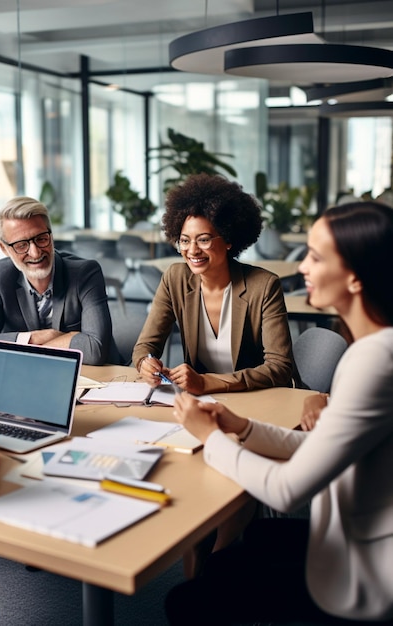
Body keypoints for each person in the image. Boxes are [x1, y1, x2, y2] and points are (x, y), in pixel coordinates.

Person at [166, 201, 393, 625]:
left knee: (187, 602)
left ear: (357, 276)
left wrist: (210, 438)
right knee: (247, 544)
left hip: (360, 579)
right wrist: (243, 427)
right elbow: (319, 446)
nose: (303, 267)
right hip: (348, 541)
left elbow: (287, 491)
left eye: (317, 256)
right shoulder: (370, 349)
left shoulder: (374, 361)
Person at [133, 173, 296, 394]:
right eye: (184, 240)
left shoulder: (264, 286)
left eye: (204, 239)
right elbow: (145, 347)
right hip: (203, 402)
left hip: (255, 398)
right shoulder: (175, 279)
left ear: (228, 239)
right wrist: (145, 363)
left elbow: (279, 368)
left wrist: (207, 382)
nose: (192, 250)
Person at [0, 196, 118, 366]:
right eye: (21, 245)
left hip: (97, 377)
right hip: (36, 376)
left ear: (51, 235)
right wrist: (34, 338)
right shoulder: (2, 275)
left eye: (41, 238)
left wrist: (27, 349)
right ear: (4, 248)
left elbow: (95, 350)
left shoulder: (84, 273)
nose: (35, 253)